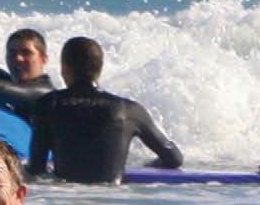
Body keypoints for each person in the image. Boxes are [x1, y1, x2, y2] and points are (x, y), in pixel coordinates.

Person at [28, 36, 183, 184]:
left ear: (65, 68)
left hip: (65, 198)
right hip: (111, 198)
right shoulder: (129, 110)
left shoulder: (47, 105)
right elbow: (174, 159)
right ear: (100, 68)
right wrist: (149, 165)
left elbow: (36, 169)